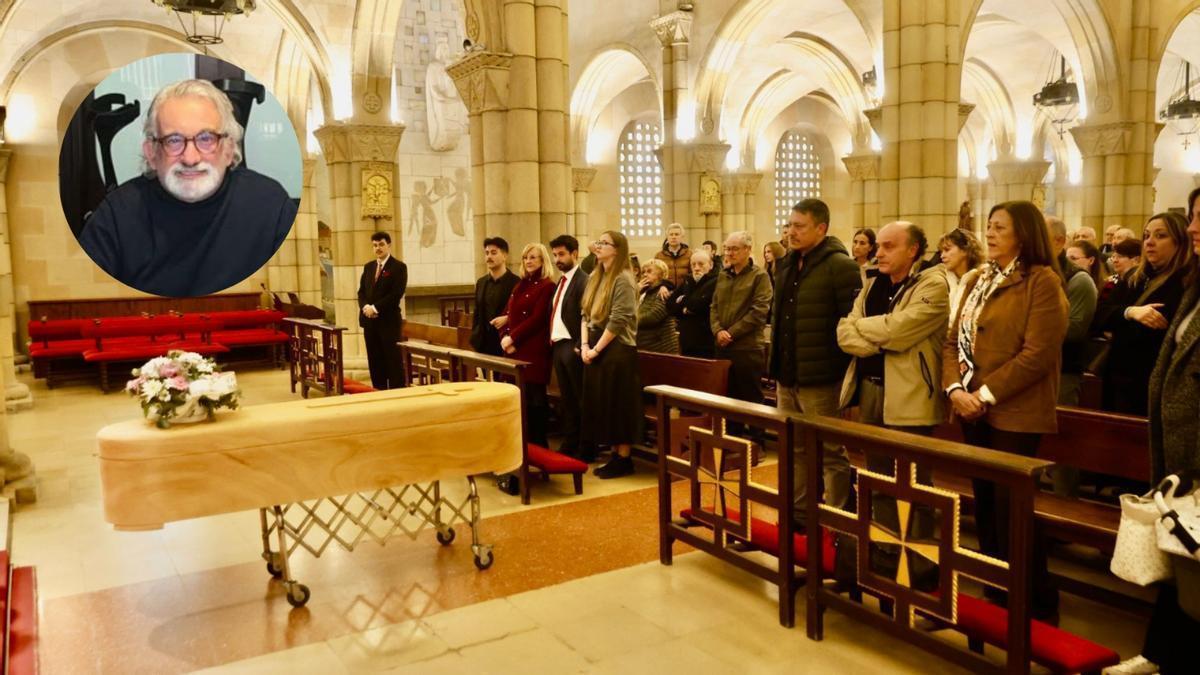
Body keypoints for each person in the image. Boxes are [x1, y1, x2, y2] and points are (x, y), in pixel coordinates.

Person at [942, 200, 1068, 622]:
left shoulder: (1042, 281)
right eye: (989, 226)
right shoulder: (980, 277)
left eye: (999, 227)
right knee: (987, 503)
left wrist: (985, 394)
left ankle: (1035, 603)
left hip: (1014, 410)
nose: (989, 233)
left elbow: (1039, 353)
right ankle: (997, 590)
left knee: (1011, 507)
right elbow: (951, 340)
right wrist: (956, 388)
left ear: (1024, 234)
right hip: (971, 404)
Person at [79, 79, 296, 297]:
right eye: (173, 140)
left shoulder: (271, 208)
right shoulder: (115, 217)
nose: (190, 158)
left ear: (229, 150)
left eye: (206, 138)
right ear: (152, 153)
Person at [1110, 187, 1200, 675]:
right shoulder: (1194, 284)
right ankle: (1160, 653)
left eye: (1199, 218)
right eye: (1190, 217)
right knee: (1182, 560)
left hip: (1195, 451)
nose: (1192, 228)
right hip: (1181, 452)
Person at [836, 221, 948, 595]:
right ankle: (886, 552)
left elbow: (901, 331)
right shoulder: (871, 283)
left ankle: (920, 563)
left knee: (914, 484)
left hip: (911, 396)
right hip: (870, 391)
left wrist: (874, 333)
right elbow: (843, 332)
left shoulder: (932, 284)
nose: (878, 252)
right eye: (878, 246)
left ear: (912, 250)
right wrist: (878, 339)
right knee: (879, 480)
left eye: (888, 246)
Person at [769, 199, 861, 530]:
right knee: (794, 449)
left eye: (799, 226)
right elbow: (781, 319)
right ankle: (799, 514)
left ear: (821, 228)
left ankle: (836, 519)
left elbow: (849, 322)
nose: (791, 232)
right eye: (789, 225)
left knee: (830, 451)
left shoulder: (840, 266)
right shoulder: (787, 264)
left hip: (821, 376)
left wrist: (836, 368)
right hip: (787, 373)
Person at [1092, 212, 1192, 415]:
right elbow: (1099, 315)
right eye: (1147, 235)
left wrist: (1119, 322)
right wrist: (1130, 312)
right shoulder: (1134, 278)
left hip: (1153, 380)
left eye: (1160, 236)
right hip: (1119, 375)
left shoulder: (1186, 283)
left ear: (1181, 241)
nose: (1150, 242)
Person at [494, 243, 557, 495]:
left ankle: (538, 449)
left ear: (543, 261)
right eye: (526, 257)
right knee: (516, 402)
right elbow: (508, 313)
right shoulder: (521, 284)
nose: (529, 261)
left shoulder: (546, 286)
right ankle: (518, 449)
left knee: (534, 402)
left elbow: (537, 318)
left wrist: (513, 339)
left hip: (533, 352)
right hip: (513, 350)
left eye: (534, 257)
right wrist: (504, 336)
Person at [580, 231, 643, 479]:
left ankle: (624, 458)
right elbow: (585, 314)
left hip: (618, 349)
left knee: (619, 405)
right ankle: (615, 455)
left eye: (604, 243)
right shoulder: (597, 276)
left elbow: (619, 319)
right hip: (597, 347)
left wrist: (595, 349)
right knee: (604, 404)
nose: (599, 246)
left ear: (617, 250)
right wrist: (585, 346)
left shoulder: (624, 279)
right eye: (599, 241)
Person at [711, 231, 773, 414]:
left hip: (747, 348)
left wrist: (730, 333)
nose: (729, 253)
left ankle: (756, 439)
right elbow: (713, 306)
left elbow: (759, 311)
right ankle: (732, 439)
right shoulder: (723, 275)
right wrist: (717, 331)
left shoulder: (759, 276)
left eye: (734, 249)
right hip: (722, 347)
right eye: (727, 249)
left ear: (747, 249)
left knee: (751, 400)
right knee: (727, 399)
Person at [548, 235, 591, 461]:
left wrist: (578, 345)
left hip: (573, 345)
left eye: (562, 254)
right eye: (555, 255)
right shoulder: (562, 281)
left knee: (580, 398)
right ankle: (571, 441)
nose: (557, 259)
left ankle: (586, 447)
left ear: (575, 254)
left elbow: (587, 316)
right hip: (559, 345)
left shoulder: (583, 280)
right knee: (568, 399)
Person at [1047, 215, 1098, 407]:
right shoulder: (1029, 272)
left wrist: (1028, 328)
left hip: (1063, 371)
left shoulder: (1079, 279)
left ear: (1059, 241)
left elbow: (1074, 329)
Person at [358, 231, 408, 390]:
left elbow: (396, 294)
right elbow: (361, 292)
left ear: (388, 245)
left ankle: (396, 394)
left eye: (381, 244)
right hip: (370, 322)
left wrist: (375, 307)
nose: (378, 248)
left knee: (391, 360)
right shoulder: (369, 267)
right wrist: (365, 306)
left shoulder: (399, 267)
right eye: (374, 245)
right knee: (375, 360)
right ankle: (378, 390)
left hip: (388, 322)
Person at [470, 237, 519, 356]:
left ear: (504, 256)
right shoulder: (481, 282)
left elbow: (520, 313)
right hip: (483, 342)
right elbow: (477, 312)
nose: (489, 257)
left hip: (504, 342)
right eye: (486, 253)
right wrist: (475, 335)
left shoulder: (516, 283)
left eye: (493, 253)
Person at [668, 250, 719, 358]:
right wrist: (684, 309)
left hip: (705, 338)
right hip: (687, 338)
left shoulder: (716, 282)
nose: (696, 268)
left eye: (701, 264)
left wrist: (683, 300)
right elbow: (670, 306)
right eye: (693, 264)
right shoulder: (688, 280)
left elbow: (697, 305)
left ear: (710, 265)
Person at [939, 228, 985, 322]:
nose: (942, 256)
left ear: (965, 250)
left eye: (947, 250)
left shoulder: (982, 280)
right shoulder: (943, 280)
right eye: (941, 251)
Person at [636, 259, 680, 354]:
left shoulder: (665, 291)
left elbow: (653, 316)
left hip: (662, 347)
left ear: (661, 274)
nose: (644, 274)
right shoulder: (643, 292)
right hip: (644, 345)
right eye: (643, 272)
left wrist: (629, 320)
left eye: (649, 271)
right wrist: (635, 292)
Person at [654, 223, 692, 290]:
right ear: (667, 237)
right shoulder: (659, 256)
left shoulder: (690, 254)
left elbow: (692, 274)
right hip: (666, 292)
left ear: (682, 237)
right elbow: (656, 276)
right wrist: (661, 286)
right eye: (671, 234)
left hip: (684, 292)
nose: (673, 237)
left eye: (677, 234)